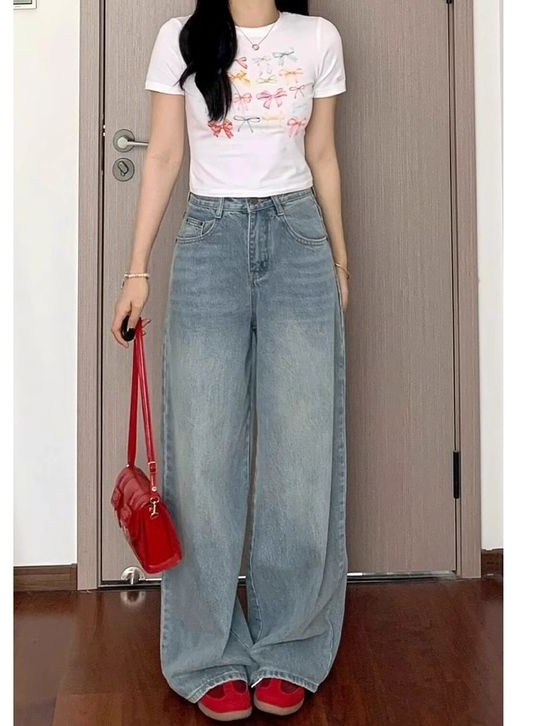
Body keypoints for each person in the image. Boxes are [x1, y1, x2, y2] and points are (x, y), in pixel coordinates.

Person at [111, 0, 349, 720]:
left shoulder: (318, 38)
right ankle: (206, 651)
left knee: (301, 455)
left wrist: (340, 259)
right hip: (209, 241)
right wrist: (136, 269)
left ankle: (290, 644)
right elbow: (164, 155)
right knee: (204, 457)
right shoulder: (181, 39)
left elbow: (323, 154)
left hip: (298, 238)